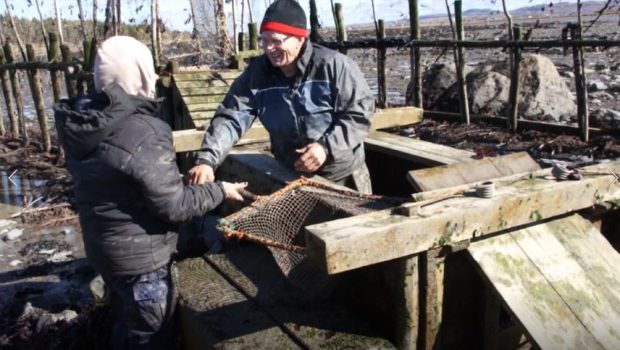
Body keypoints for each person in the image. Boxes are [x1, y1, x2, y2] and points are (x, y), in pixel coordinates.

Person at [54, 36, 247, 349]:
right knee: (152, 337)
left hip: (104, 253)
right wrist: (220, 189)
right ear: (140, 74)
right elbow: (174, 207)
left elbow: (119, 181)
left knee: (126, 325)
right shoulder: (144, 130)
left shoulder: (80, 122)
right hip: (142, 265)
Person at [188, 0, 375, 193]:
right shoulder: (257, 75)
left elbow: (360, 113)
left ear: (300, 39)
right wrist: (207, 160)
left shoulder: (334, 66)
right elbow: (231, 117)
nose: (269, 48)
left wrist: (325, 147)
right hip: (290, 177)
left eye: (276, 41)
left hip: (343, 176)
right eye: (264, 40)